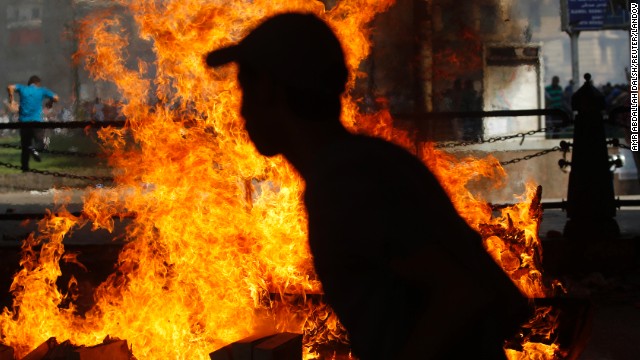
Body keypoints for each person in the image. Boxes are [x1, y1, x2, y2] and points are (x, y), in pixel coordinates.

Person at [206, 13, 531, 359]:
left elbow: (463, 294)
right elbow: (499, 300)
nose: (241, 112)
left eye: (245, 88)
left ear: (270, 89)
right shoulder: (375, 160)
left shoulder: (344, 184)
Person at [7, 75, 58, 172]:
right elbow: (56, 97)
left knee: (25, 147)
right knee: (41, 144)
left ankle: (25, 169)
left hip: (23, 122)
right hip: (36, 122)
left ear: (29, 83)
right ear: (38, 83)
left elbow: (10, 87)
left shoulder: (23, 89)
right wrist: (50, 102)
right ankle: (33, 149)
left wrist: (11, 100)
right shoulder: (41, 90)